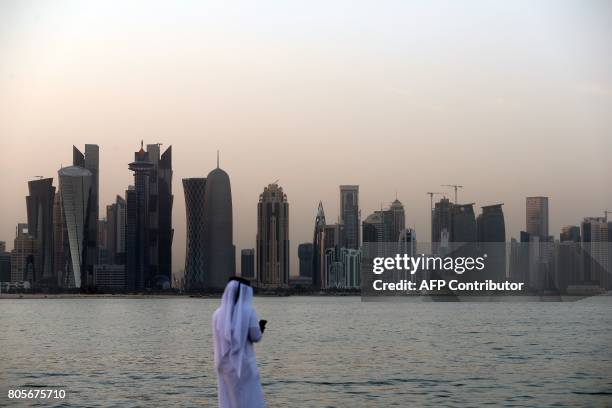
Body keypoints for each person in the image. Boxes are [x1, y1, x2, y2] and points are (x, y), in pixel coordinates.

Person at [212, 277, 267, 408]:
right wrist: (261, 327)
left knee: (230, 400)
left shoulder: (217, 314)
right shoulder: (248, 311)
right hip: (244, 365)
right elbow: (256, 337)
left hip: (224, 365)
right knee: (249, 400)